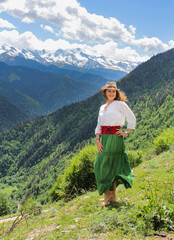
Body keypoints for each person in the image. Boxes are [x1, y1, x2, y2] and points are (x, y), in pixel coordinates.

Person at [94, 81, 136, 206]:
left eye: (113, 91)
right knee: (106, 165)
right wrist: (98, 140)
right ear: (105, 93)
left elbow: (131, 117)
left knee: (105, 166)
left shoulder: (120, 104)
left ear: (116, 93)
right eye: (109, 91)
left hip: (115, 137)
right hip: (105, 138)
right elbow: (99, 125)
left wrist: (126, 132)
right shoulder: (103, 107)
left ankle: (109, 197)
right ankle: (111, 196)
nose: (111, 93)